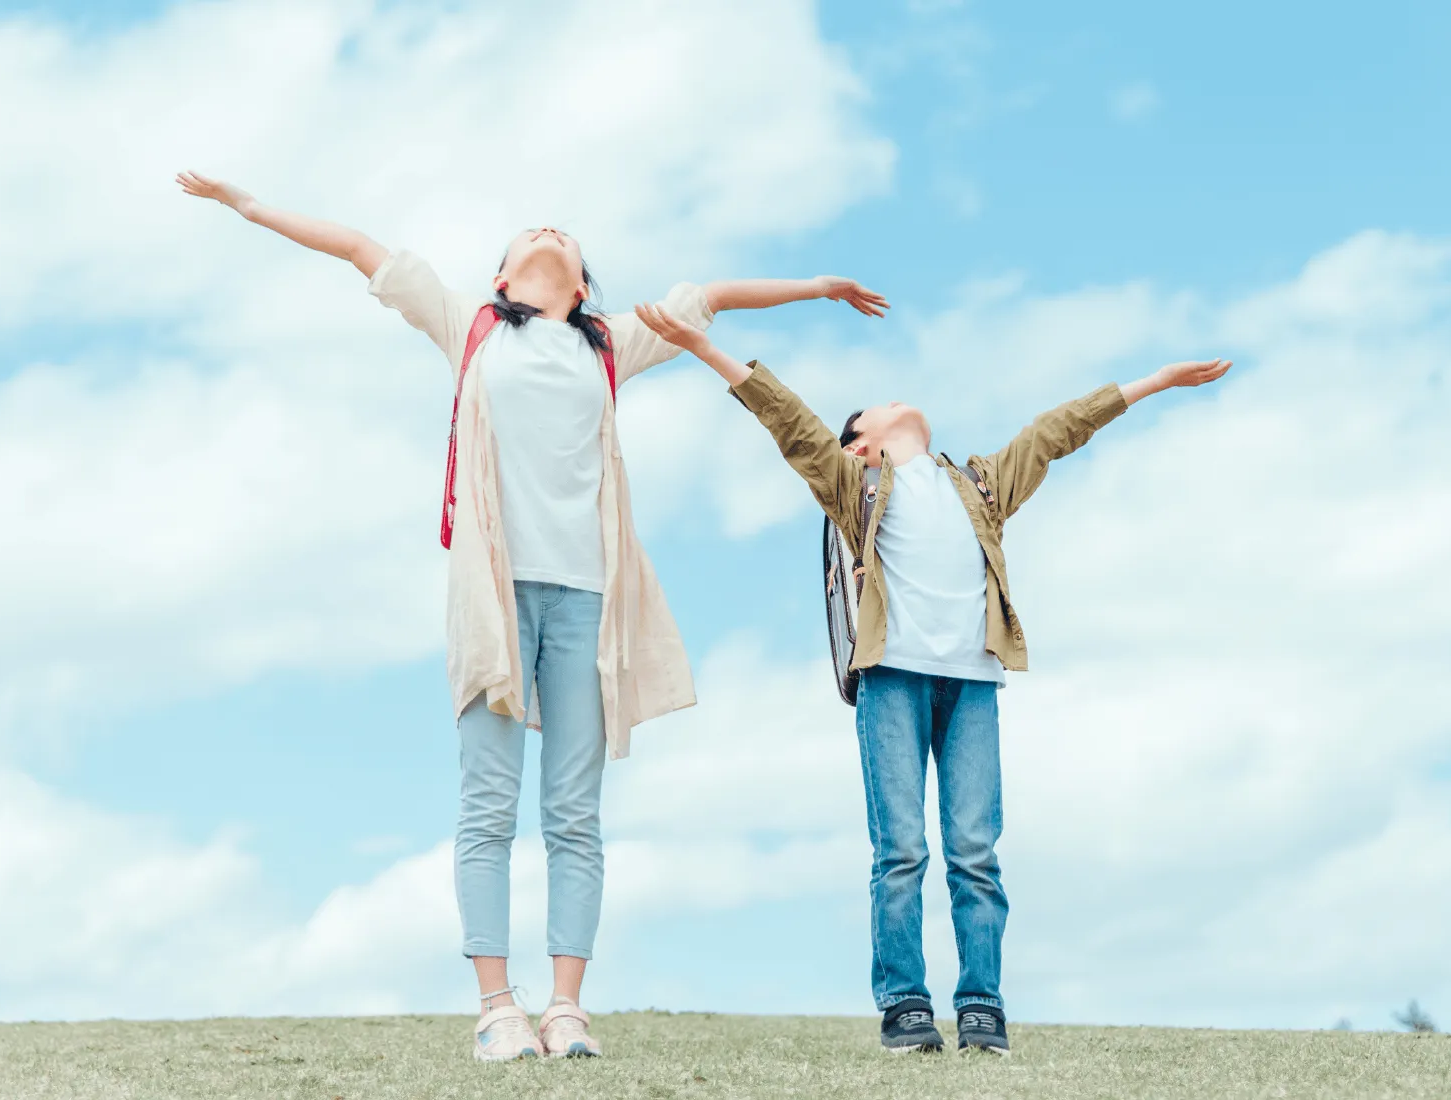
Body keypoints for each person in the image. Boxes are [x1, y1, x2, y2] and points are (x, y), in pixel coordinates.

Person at [176, 172, 889, 1061]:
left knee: (574, 812)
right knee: (487, 801)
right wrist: (247, 206)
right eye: (527, 236)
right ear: (503, 283)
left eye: (564, 237)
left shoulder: (610, 344)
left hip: (588, 598)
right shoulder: (467, 329)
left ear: (582, 286)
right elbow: (358, 246)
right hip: (495, 595)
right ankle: (495, 1008)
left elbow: (712, 298)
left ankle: (565, 1009)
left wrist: (818, 287)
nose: (548, 231)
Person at [630, 300, 1230, 1055]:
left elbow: (1057, 432)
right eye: (873, 408)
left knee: (975, 851)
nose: (893, 400)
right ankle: (905, 1005)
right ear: (860, 448)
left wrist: (1156, 381)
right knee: (902, 851)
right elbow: (785, 418)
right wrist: (700, 346)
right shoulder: (857, 491)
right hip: (894, 681)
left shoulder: (979, 486)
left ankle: (981, 1004)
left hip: (972, 683)